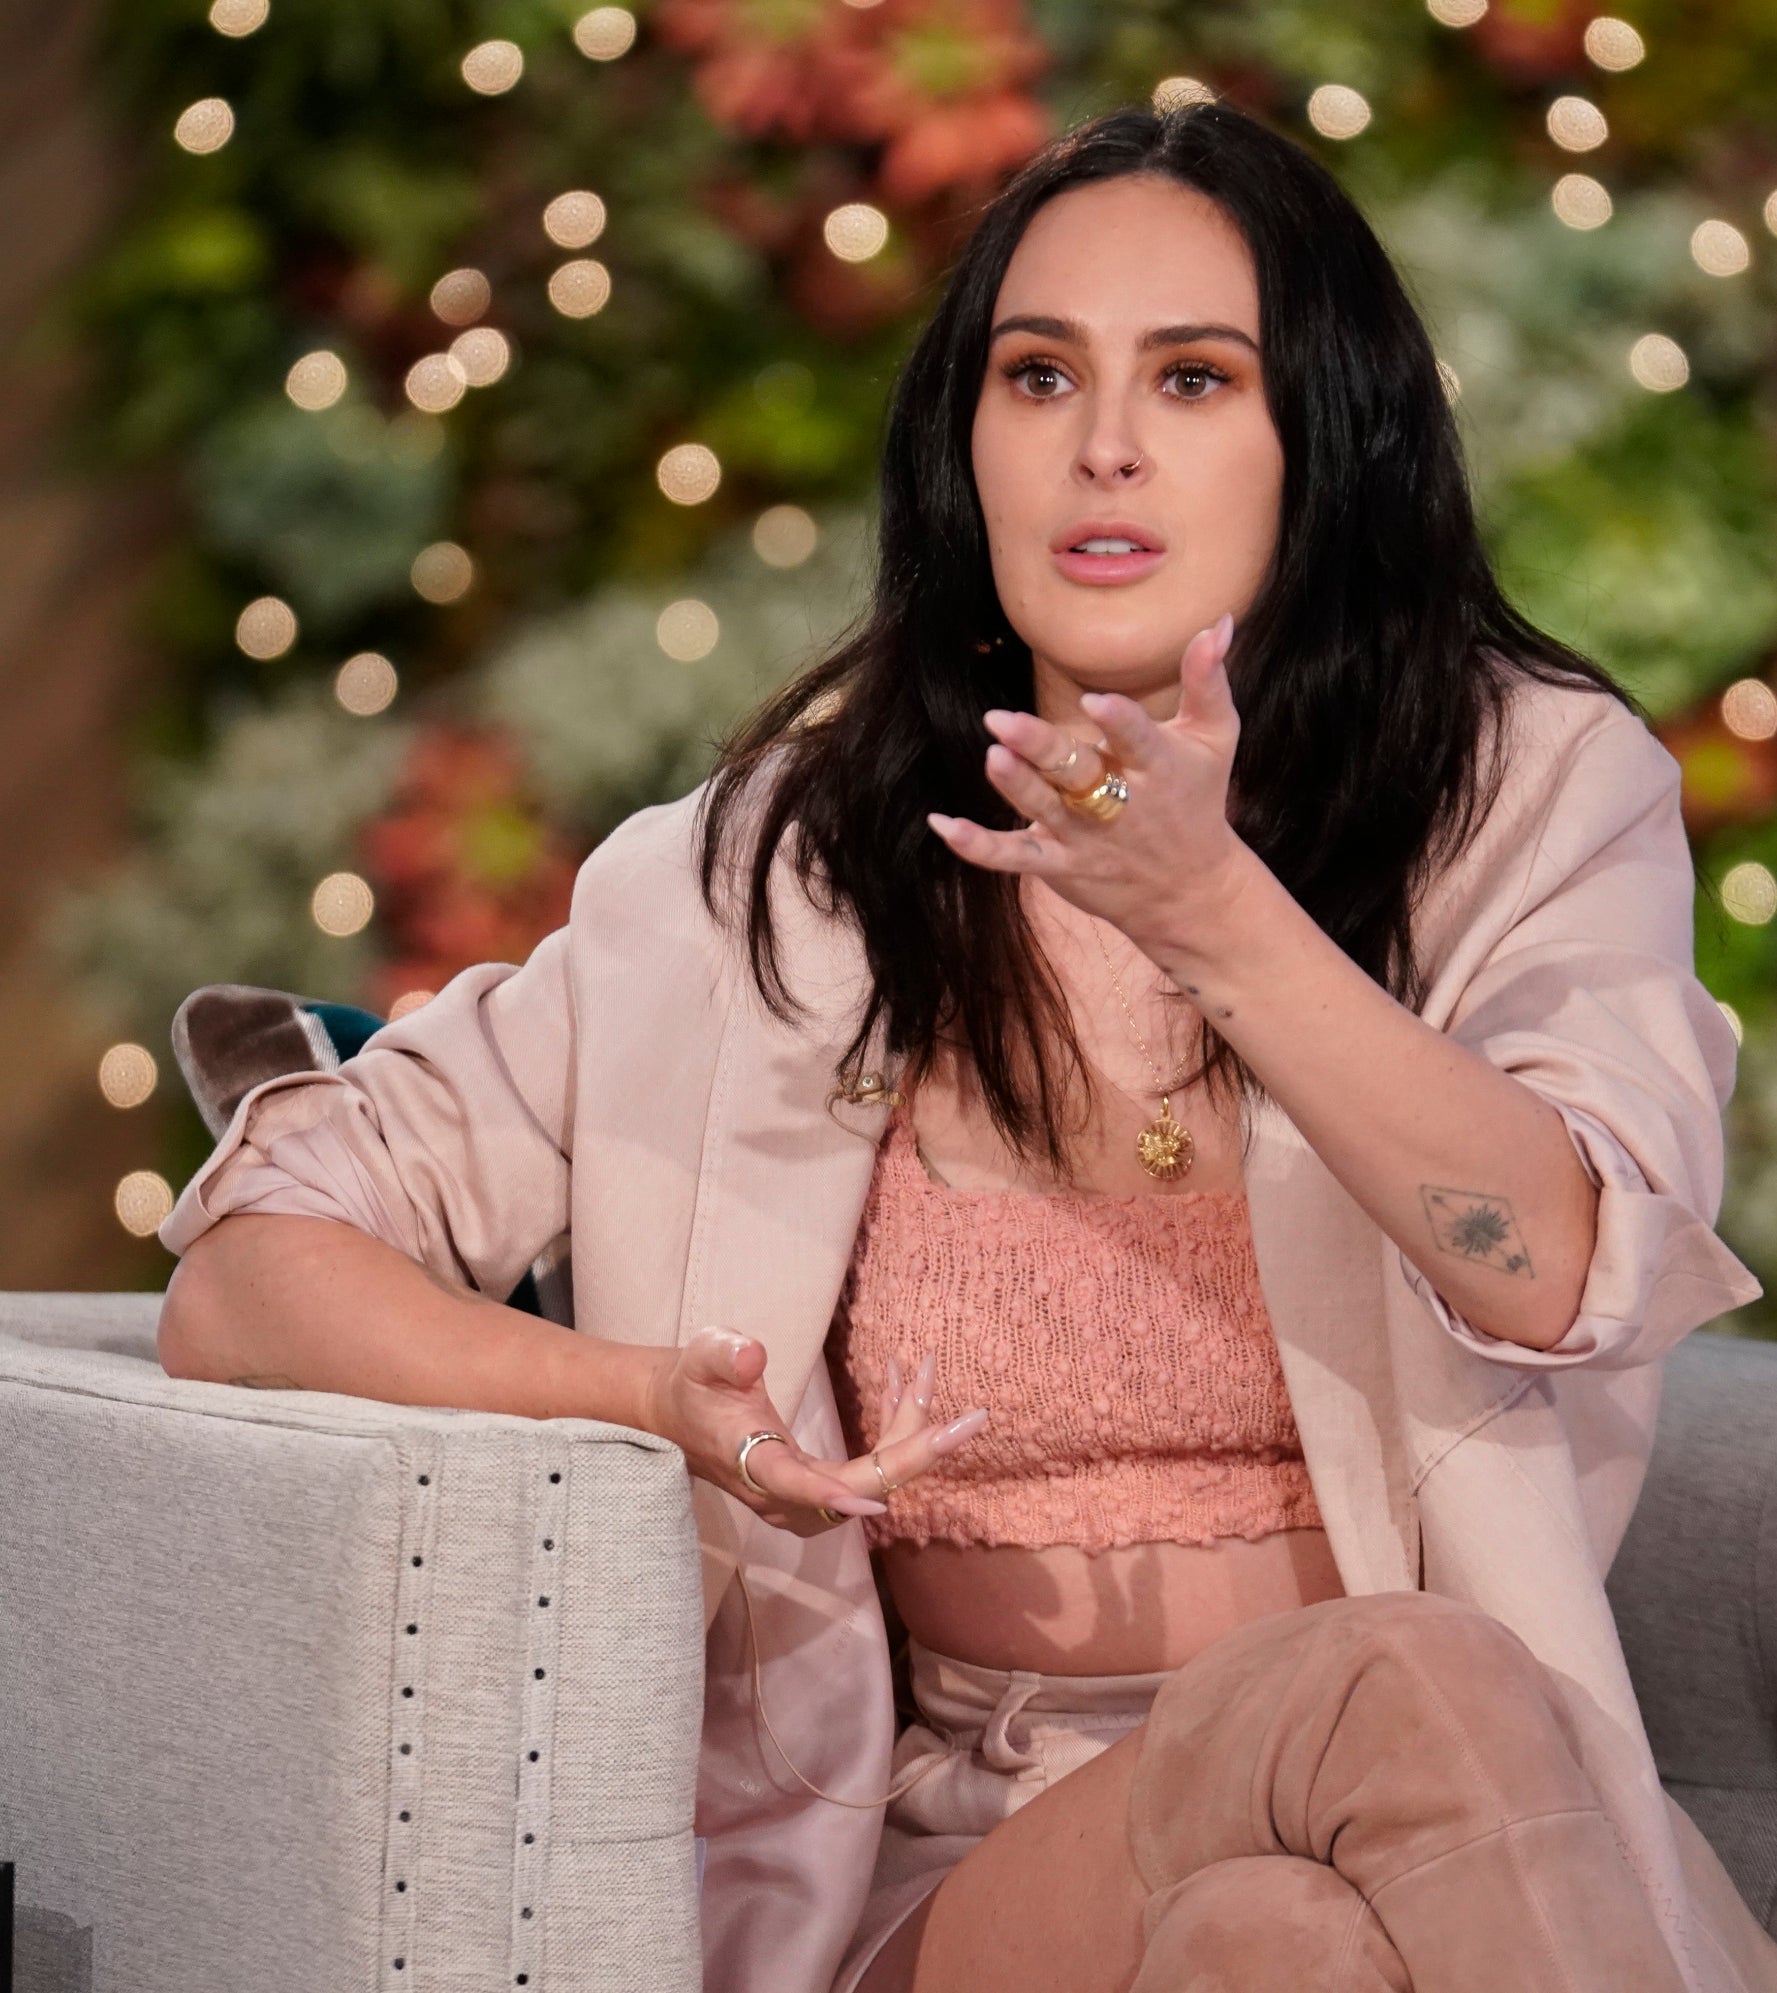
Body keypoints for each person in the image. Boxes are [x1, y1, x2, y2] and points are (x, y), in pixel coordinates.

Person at [155, 101, 1774, 1993]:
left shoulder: (1520, 797)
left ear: (1320, 439)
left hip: (1436, 1828)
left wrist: (1217, 916)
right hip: (955, 1864)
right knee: (1389, 1687)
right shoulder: (768, 876)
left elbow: (1568, 1260)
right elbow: (244, 1271)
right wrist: (636, 1396)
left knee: (1289, 1940)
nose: (1102, 444)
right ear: (967, 441)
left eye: (1191, 377)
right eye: (1035, 374)